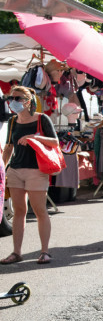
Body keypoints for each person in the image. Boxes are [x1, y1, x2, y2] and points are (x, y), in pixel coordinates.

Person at [1, 86, 59, 265]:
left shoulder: (42, 119)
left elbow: (55, 142)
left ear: (27, 101)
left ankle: (45, 252)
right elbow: (9, 146)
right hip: (16, 170)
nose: (13, 102)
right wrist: (3, 169)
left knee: (40, 211)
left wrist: (34, 137)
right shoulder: (12, 121)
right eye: (11, 98)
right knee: (19, 211)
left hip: (36, 170)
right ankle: (16, 252)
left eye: (17, 98)